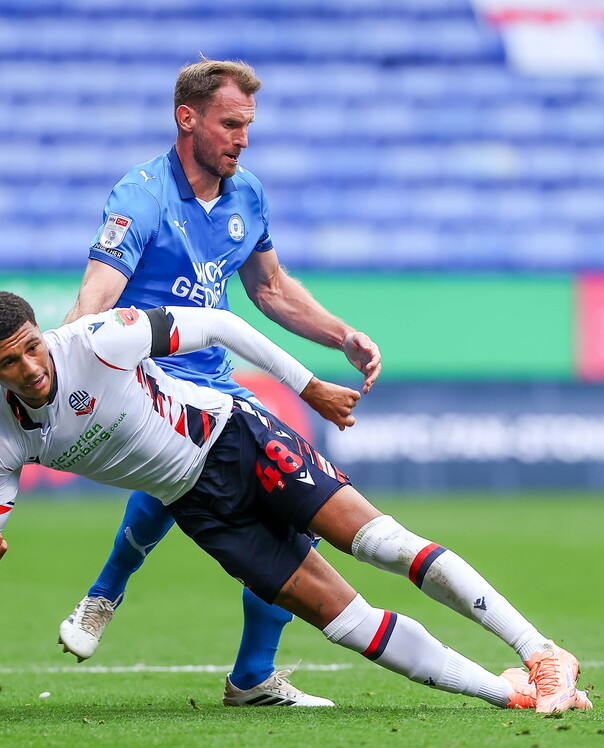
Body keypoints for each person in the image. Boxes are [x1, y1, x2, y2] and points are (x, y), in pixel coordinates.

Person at [0, 291, 591, 714]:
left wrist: (307, 385)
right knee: (344, 623)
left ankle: (541, 654)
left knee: (383, 544)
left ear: (41, 333)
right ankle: (513, 698)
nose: (31, 368)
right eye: (9, 364)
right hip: (196, 506)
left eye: (32, 347)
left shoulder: (98, 340)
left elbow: (221, 325)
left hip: (237, 440)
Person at [59, 57, 381, 707]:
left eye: (248, 126)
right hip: (148, 382)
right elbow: (96, 295)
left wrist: (341, 335)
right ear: (188, 119)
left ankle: (244, 672)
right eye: (231, 124)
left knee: (285, 503)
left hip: (217, 380)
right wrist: (57, 370)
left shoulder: (247, 194)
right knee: (219, 479)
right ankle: (123, 599)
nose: (242, 138)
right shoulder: (141, 196)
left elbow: (270, 288)